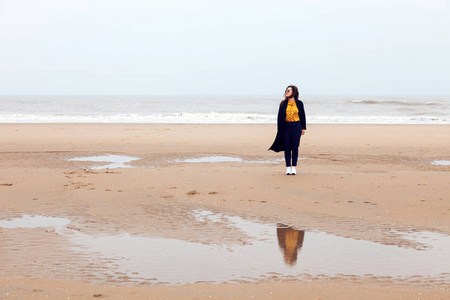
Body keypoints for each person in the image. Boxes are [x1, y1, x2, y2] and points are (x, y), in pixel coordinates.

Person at [269, 85, 306, 175]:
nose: (286, 92)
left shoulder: (299, 103)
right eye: (286, 90)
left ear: (293, 92)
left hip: (296, 126)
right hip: (286, 127)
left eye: (288, 90)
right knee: (287, 148)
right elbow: (279, 118)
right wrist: (279, 129)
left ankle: (294, 167)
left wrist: (303, 127)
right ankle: (288, 167)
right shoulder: (283, 103)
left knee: (295, 147)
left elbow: (302, 115)